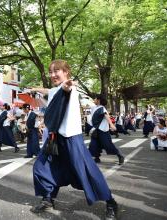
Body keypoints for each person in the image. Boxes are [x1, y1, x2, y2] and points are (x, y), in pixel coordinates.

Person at [31, 60, 118, 220]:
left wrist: (67, 86)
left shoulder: (70, 89)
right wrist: (35, 89)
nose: (53, 75)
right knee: (43, 167)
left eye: (57, 71)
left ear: (66, 72)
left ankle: (111, 202)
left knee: (87, 172)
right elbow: (51, 91)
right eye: (50, 72)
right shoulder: (54, 90)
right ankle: (48, 198)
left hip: (71, 138)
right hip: (55, 138)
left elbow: (66, 88)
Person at [88, 95, 125, 165]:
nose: (94, 100)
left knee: (107, 145)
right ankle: (97, 157)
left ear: (98, 100)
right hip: (96, 130)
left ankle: (120, 156)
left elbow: (106, 116)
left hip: (103, 130)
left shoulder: (102, 108)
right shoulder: (93, 107)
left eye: (95, 99)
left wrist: (111, 125)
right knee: (93, 145)